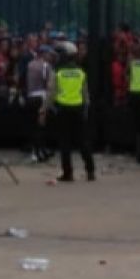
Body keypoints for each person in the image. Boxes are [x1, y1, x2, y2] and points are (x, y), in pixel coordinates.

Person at [43, 41, 95, 182]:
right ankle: (90, 171)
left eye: (58, 55)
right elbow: (85, 94)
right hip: (78, 109)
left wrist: (44, 110)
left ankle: (68, 173)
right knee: (83, 141)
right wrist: (86, 109)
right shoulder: (80, 72)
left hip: (63, 110)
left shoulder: (57, 72)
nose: (56, 58)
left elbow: (51, 93)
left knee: (65, 143)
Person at [25, 45, 56, 163]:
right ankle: (40, 151)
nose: (50, 56)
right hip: (41, 97)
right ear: (43, 54)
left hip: (30, 96)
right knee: (41, 126)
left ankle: (36, 151)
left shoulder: (30, 64)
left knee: (33, 126)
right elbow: (48, 84)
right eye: (48, 54)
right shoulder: (46, 66)